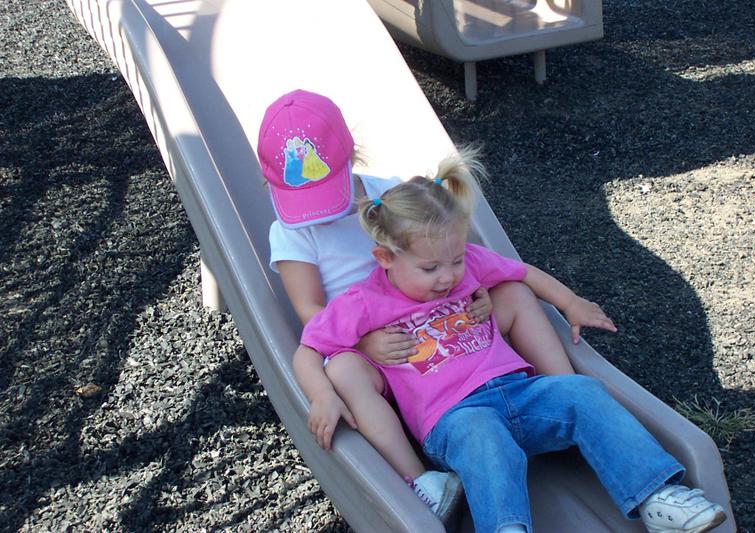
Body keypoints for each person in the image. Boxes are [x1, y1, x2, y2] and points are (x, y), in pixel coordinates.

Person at [297, 154, 728, 533]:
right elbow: (308, 350)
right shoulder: (363, 303)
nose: (447, 276)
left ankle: (657, 497)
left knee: (583, 393)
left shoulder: (468, 267)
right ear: (386, 258)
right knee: (484, 438)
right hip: (455, 418)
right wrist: (322, 396)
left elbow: (522, 274)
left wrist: (570, 302)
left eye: (455, 260)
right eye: (430, 268)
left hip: (522, 394)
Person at [258, 89, 615, 524]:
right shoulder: (291, 231)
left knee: (514, 293)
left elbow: (447, 252)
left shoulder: (388, 194)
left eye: (325, 190)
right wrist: (365, 344)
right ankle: (422, 480)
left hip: (436, 315)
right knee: (344, 372)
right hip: (368, 337)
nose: (317, 209)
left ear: (350, 156)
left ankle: (560, 394)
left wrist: (473, 289)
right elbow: (310, 310)